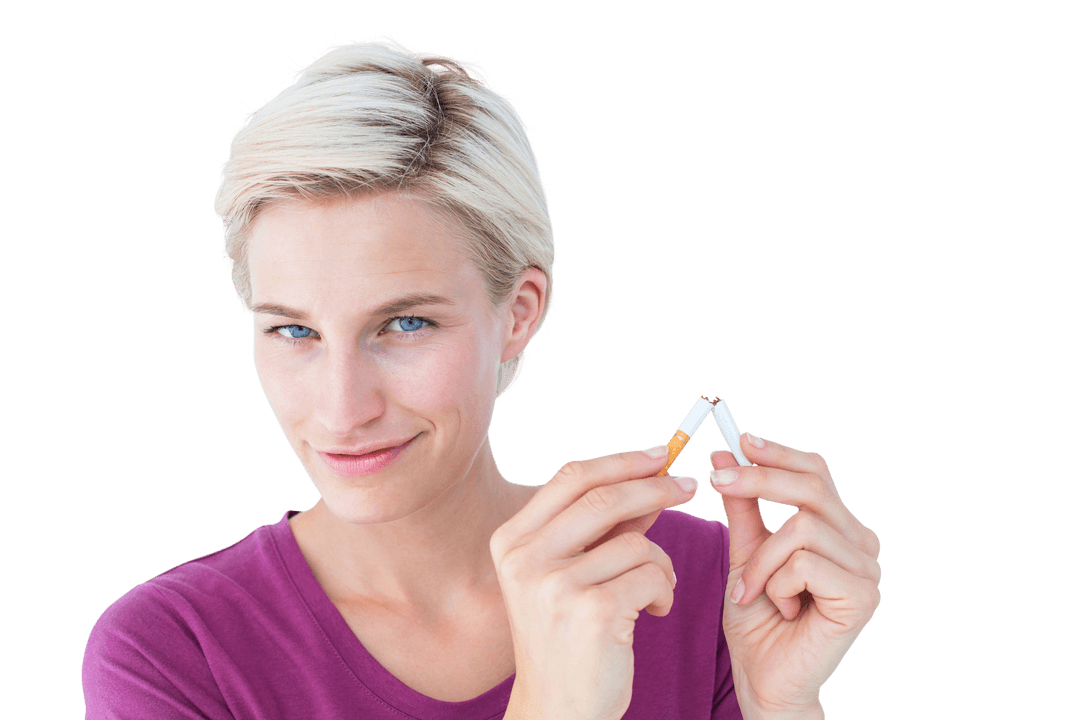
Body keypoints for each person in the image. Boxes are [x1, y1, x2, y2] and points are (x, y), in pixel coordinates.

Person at [82, 28, 881, 720]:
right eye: (293, 330)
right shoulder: (171, 652)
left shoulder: (705, 589)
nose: (341, 409)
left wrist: (780, 705)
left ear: (521, 311)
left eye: (405, 324)